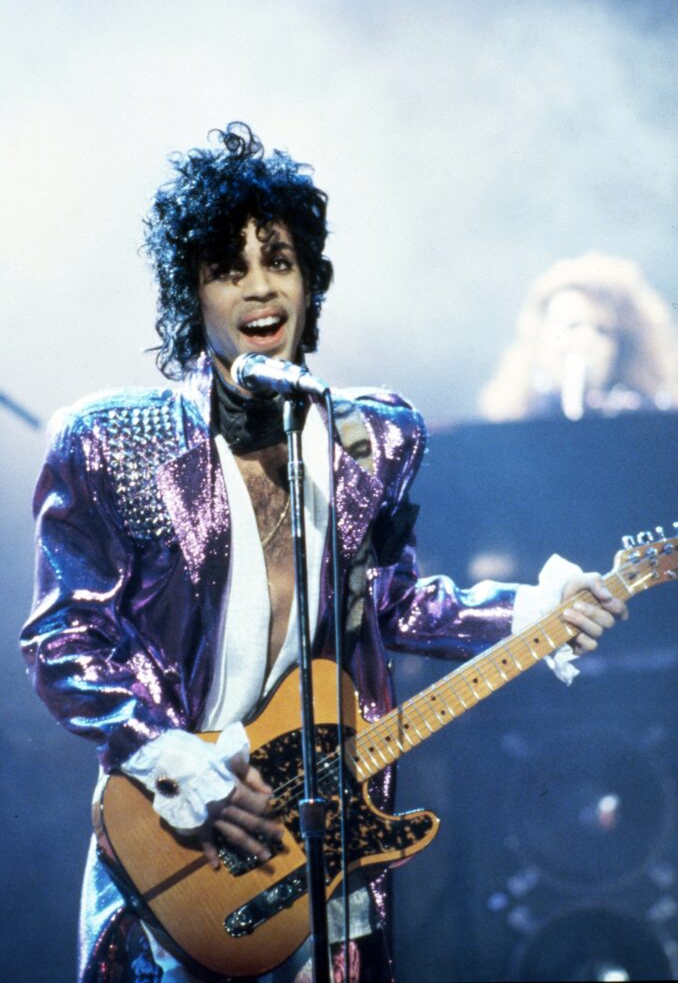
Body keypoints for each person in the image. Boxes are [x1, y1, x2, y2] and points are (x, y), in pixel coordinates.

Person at [20, 124, 627, 983]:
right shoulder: (114, 439)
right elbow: (64, 641)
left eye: (280, 260)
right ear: (189, 291)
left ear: (311, 279)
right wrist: (167, 755)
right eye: (229, 268)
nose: (261, 288)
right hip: (175, 851)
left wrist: (533, 611)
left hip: (327, 855)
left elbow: (393, 602)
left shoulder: (369, 437)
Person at [478, 251, 678, 422]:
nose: (586, 341)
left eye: (602, 330)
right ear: (539, 337)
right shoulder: (511, 422)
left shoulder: (648, 419)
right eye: (572, 326)